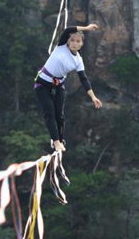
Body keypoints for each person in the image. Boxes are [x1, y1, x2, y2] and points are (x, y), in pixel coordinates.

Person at [34, 24, 103, 152]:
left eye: (78, 41)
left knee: (59, 115)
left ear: (82, 44)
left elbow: (84, 79)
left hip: (58, 85)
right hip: (43, 83)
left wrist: (93, 97)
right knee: (49, 112)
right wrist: (87, 28)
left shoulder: (78, 60)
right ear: (68, 41)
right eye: (72, 40)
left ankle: (59, 139)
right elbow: (68, 30)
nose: (74, 43)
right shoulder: (61, 47)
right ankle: (56, 142)